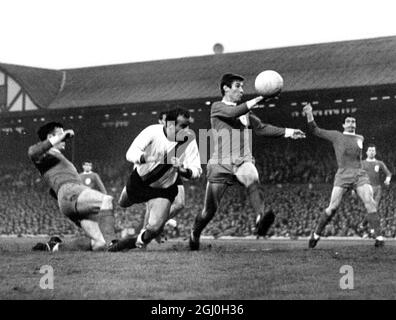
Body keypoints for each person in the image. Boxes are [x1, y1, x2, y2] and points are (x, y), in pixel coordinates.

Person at [189, 73, 306, 250]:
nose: (242, 90)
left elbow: (261, 128)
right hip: (220, 163)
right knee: (209, 211)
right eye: (238, 86)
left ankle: (261, 216)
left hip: (242, 160)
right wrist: (260, 97)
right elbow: (233, 112)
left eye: (242, 87)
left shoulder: (246, 112)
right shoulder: (217, 107)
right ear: (226, 88)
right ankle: (195, 233)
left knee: (252, 177)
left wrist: (289, 131)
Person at [108, 108, 202, 251]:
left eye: (188, 125)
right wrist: (145, 157)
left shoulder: (189, 140)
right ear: (170, 125)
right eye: (183, 126)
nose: (187, 129)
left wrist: (183, 170)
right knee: (123, 203)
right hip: (140, 182)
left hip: (163, 191)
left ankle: (133, 242)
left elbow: (197, 170)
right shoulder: (152, 131)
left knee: (154, 228)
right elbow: (130, 153)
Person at [302, 104, 385, 248]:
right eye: (348, 121)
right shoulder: (336, 136)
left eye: (353, 122)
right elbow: (315, 130)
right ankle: (316, 234)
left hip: (359, 175)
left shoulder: (360, 138)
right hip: (342, 175)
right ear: (343, 125)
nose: (351, 124)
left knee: (370, 202)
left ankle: (379, 237)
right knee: (332, 207)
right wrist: (309, 113)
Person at [28, 122, 116, 252]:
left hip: (70, 199)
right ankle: (114, 242)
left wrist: (75, 217)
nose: (64, 138)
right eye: (60, 134)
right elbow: (32, 152)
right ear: (50, 136)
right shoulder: (47, 154)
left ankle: (54, 247)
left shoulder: (58, 160)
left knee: (99, 244)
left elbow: (53, 192)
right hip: (71, 192)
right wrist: (61, 137)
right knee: (106, 200)